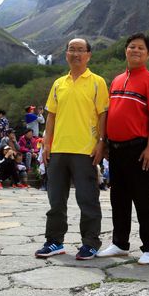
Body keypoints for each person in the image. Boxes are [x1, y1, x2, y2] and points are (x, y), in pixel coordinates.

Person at [35, 38, 110, 261]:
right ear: (66, 54)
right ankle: (54, 241)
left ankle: (90, 243)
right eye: (71, 50)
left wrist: (101, 143)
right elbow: (52, 116)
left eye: (80, 50)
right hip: (58, 150)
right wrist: (47, 144)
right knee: (55, 200)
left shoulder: (97, 82)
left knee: (88, 200)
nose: (75, 54)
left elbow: (103, 114)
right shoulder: (59, 83)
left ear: (88, 55)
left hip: (85, 150)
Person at [97, 33, 149, 265]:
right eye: (132, 47)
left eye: (141, 48)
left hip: (139, 148)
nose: (136, 51)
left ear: (148, 54)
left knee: (144, 198)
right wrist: (104, 141)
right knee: (119, 197)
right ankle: (119, 243)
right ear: (125, 50)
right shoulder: (116, 80)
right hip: (115, 149)